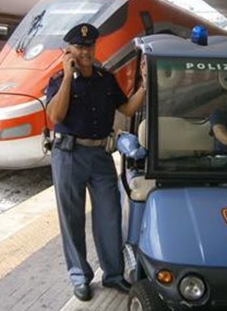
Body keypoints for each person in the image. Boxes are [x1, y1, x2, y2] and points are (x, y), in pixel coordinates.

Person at [46, 23, 146, 301]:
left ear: (95, 47)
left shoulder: (106, 79)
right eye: (78, 47)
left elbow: (126, 108)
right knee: (72, 218)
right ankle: (79, 276)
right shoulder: (57, 80)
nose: (85, 51)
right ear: (69, 50)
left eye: (89, 46)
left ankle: (113, 274)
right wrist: (68, 76)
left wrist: (145, 86)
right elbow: (55, 116)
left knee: (110, 214)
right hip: (68, 156)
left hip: (101, 156)